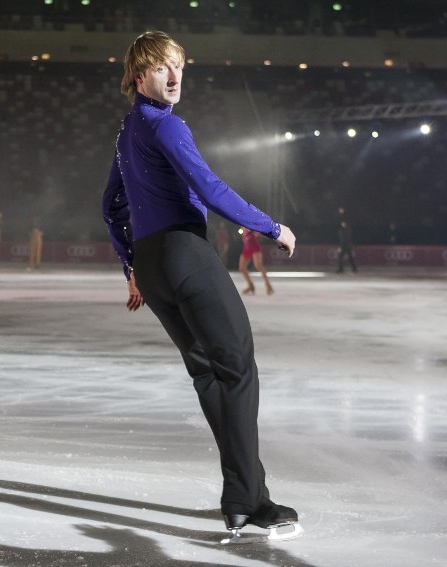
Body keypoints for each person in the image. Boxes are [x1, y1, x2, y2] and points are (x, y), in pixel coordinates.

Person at [101, 31, 301, 541]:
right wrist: (271, 226)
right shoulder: (166, 127)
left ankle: (244, 496)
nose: (173, 77)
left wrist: (132, 268)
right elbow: (209, 188)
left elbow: (112, 208)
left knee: (209, 375)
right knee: (238, 369)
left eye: (178, 67)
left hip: (152, 265)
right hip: (186, 256)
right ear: (138, 77)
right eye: (161, 68)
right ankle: (246, 499)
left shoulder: (127, 132)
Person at [238, 228, 274, 296]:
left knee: (258, 266)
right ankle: (251, 286)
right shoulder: (242, 223)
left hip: (255, 247)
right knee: (242, 268)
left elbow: (258, 232)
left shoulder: (251, 224)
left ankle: (268, 285)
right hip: (247, 247)